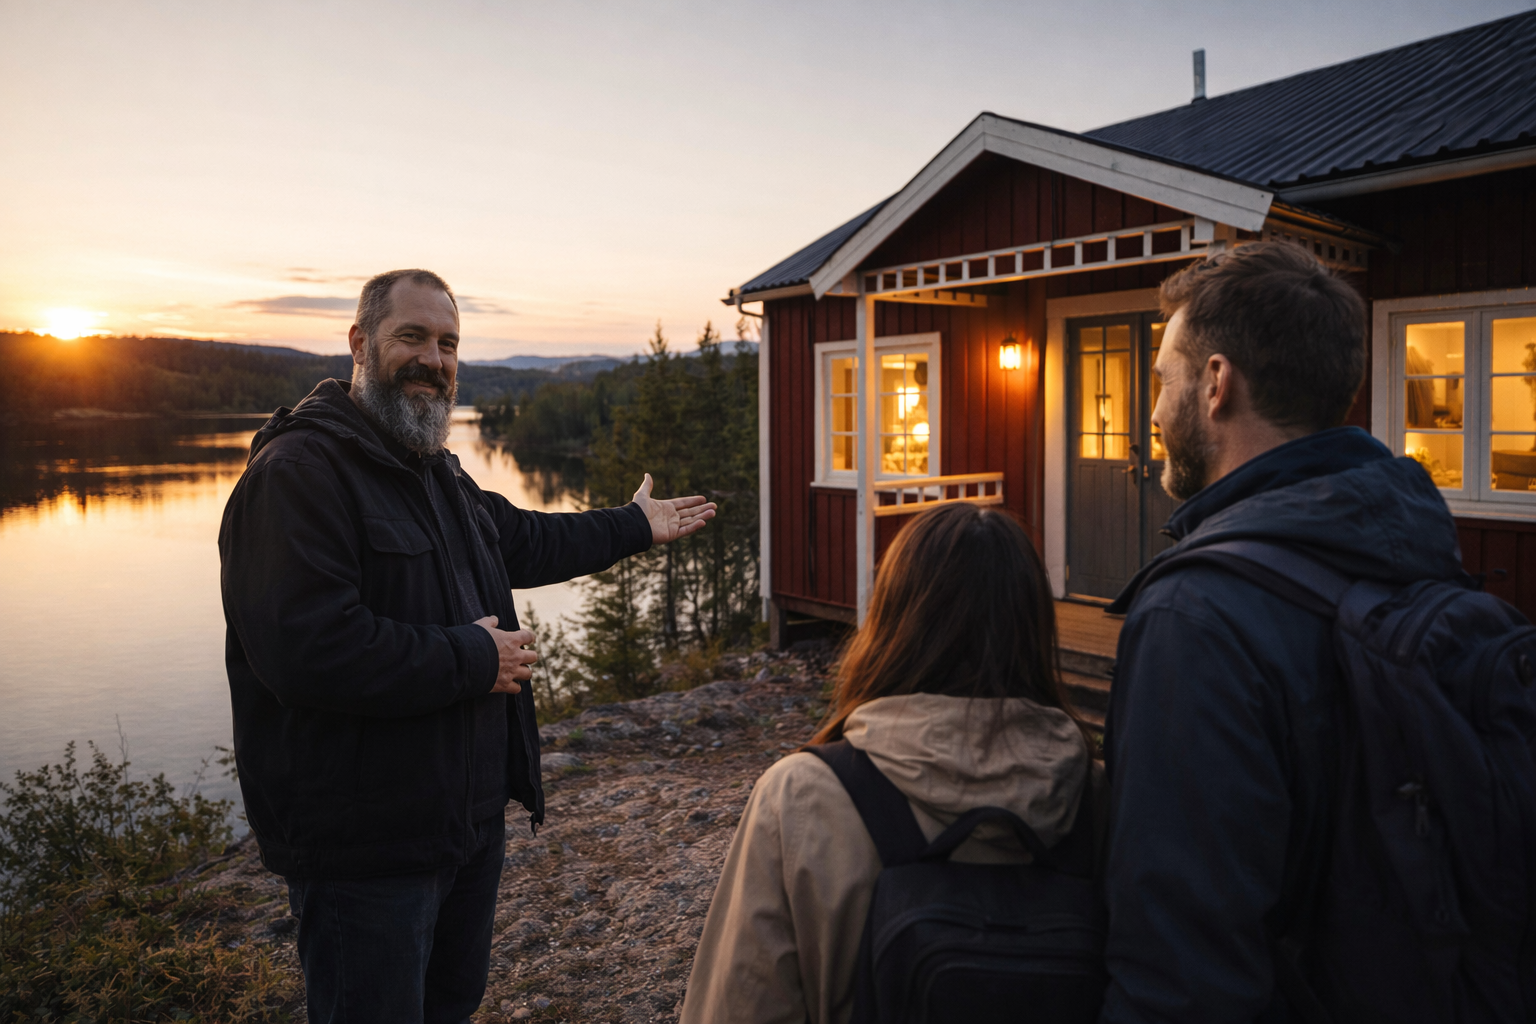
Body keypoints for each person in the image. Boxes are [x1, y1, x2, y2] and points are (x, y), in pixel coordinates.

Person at [218, 268, 715, 1024]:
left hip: (463, 829)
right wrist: (472, 659)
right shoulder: (297, 475)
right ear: (359, 343)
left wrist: (632, 525)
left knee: (450, 1007)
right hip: (367, 851)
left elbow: (522, 537)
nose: (435, 360)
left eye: (448, 343)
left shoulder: (434, 474)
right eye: (412, 337)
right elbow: (305, 649)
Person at [1099, 242, 1466, 1020]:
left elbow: (1182, 974)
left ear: (1216, 383)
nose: (1154, 412)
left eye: (1162, 381)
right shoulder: (1418, 547)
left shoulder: (1196, 618)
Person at [681, 502, 1099, 1024]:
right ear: (1036, 627)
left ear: (891, 622)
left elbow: (739, 1007)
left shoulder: (801, 796)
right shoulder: (1100, 797)